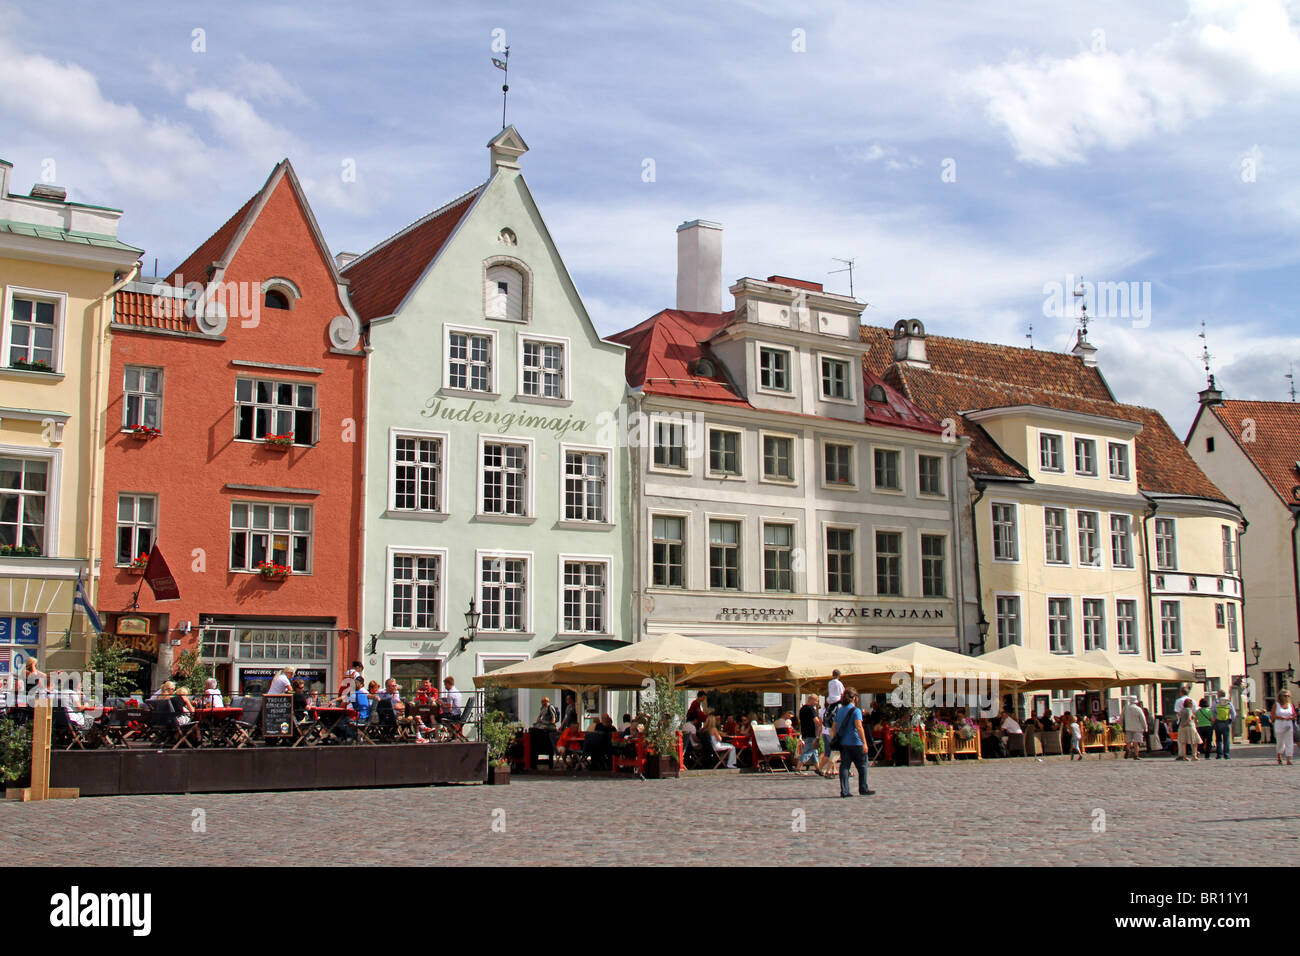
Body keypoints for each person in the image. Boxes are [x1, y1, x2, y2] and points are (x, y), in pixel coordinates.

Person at [831, 689, 873, 796]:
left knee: (845, 766)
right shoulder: (856, 711)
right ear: (854, 698)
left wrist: (835, 739)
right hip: (856, 742)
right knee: (862, 766)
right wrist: (864, 742)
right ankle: (863, 788)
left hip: (844, 743)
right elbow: (859, 727)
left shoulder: (839, 710)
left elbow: (834, 727)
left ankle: (845, 791)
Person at [797, 694, 822, 771]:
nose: (817, 703)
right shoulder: (811, 709)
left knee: (814, 752)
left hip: (805, 732)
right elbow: (816, 721)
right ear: (811, 700)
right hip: (811, 733)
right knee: (808, 751)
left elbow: (800, 721)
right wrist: (822, 724)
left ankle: (818, 768)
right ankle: (798, 768)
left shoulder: (802, 709)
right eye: (816, 701)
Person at [1271, 690, 1295, 766]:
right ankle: (1279, 755)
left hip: (1288, 724)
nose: (1286, 697)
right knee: (1280, 742)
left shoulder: (1290, 705)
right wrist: (1281, 717)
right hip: (1279, 724)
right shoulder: (1276, 705)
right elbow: (1272, 716)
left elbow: (1294, 715)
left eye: (1288, 696)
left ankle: (1289, 759)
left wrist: (1291, 717)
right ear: (1281, 696)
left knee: (1289, 741)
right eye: (1285, 696)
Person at [1212, 690, 1236, 759]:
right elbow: (1233, 712)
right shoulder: (1228, 702)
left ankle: (1219, 755)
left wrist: (1214, 719)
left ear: (1219, 695)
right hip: (1226, 722)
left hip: (1218, 722)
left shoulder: (1216, 702)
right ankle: (1226, 754)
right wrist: (1231, 720)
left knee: (1218, 739)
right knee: (1226, 739)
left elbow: (1213, 711)